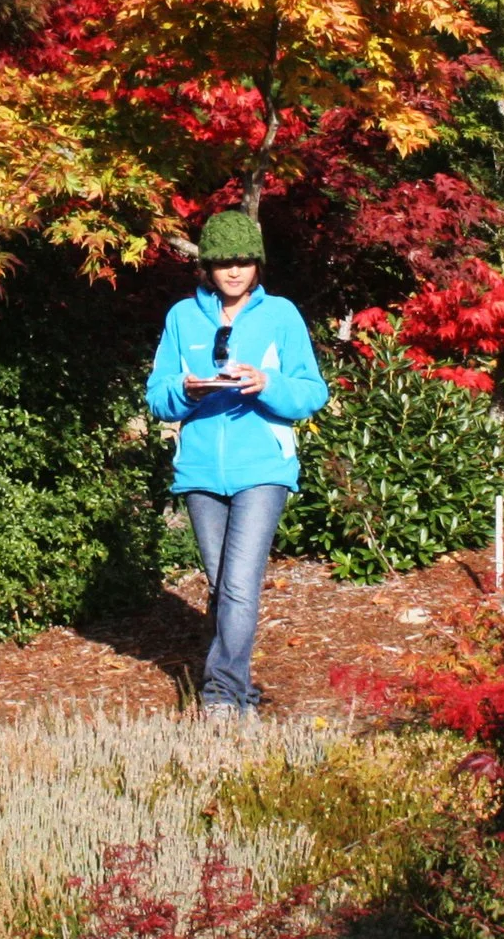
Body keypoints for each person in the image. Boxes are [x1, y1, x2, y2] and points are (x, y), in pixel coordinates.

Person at [146, 210, 329, 715]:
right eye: (223, 262)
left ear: (257, 265)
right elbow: (157, 396)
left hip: (263, 469)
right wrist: (187, 390)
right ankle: (240, 689)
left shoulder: (282, 316)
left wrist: (267, 384)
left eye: (243, 261)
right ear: (206, 266)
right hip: (200, 471)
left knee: (240, 583)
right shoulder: (182, 317)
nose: (233, 271)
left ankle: (221, 695)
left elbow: (312, 392)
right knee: (221, 583)